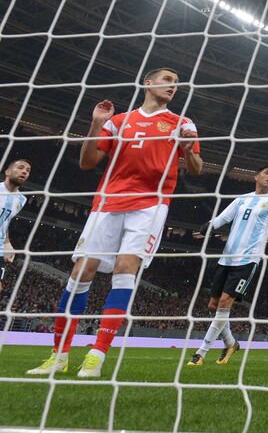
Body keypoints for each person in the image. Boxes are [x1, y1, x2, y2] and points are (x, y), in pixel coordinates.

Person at [28, 67, 202, 378]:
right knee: (81, 269)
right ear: (147, 83)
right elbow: (87, 162)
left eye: (176, 84)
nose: (173, 87)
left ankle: (97, 354)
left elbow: (197, 168)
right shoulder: (118, 121)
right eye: (167, 81)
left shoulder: (182, 123)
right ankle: (59, 354)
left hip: (150, 205)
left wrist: (188, 152)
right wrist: (95, 123)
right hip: (107, 202)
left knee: (125, 268)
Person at [188, 164, 268, 367]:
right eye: (267, 173)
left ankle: (201, 353)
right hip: (227, 258)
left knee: (225, 302)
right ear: (256, 176)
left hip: (249, 259)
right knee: (213, 305)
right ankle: (231, 343)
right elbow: (223, 218)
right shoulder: (242, 199)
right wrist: (209, 225)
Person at [0, 158, 32, 296]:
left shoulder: (21, 200)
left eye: (27, 170)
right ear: (7, 171)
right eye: (20, 167)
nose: (24, 171)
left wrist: (7, 243)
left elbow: (5, 221)